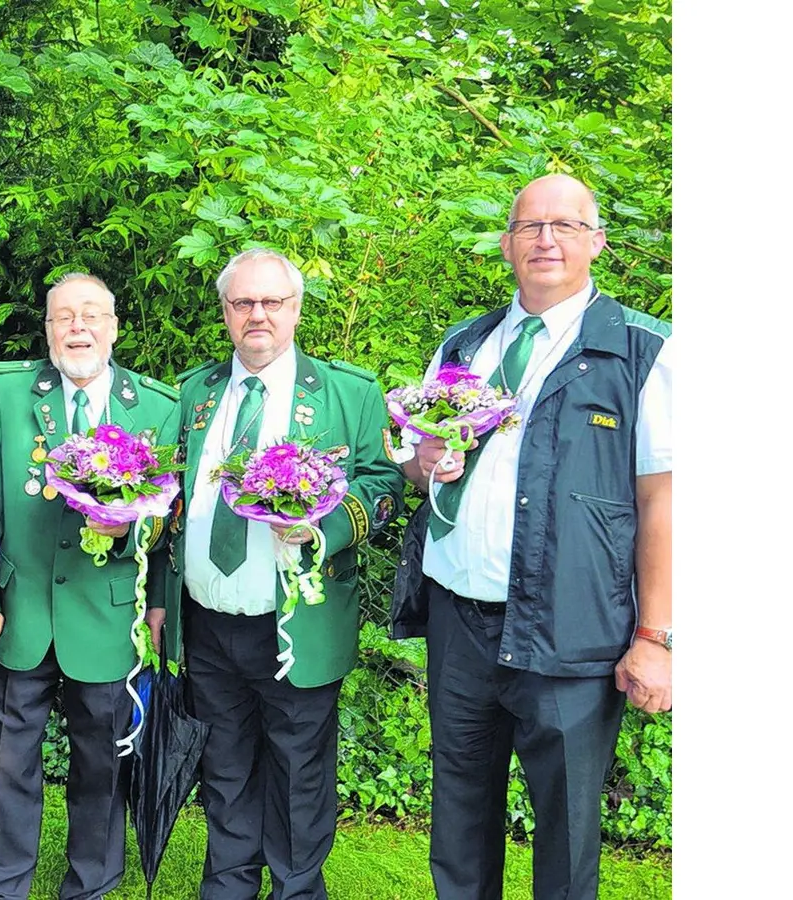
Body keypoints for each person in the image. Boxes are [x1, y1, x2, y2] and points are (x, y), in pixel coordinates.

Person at [389, 174, 672, 900]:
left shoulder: (644, 351)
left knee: (567, 832)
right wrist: (423, 464)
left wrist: (656, 635)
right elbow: (426, 470)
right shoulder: (466, 343)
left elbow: (663, 499)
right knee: (457, 821)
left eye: (566, 226)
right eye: (530, 227)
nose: (546, 239)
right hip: (461, 621)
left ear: (597, 242)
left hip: (572, 635)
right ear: (508, 243)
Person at [151, 249, 404, 900]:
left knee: (298, 776)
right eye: (243, 303)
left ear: (295, 309)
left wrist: (325, 529)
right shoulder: (189, 394)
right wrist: (158, 600)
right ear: (225, 312)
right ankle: (228, 888)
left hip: (296, 622)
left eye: (272, 302)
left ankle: (296, 891)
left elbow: (382, 486)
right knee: (225, 772)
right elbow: (164, 503)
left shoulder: (348, 394)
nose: (257, 314)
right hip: (207, 625)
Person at [0, 272, 180, 900]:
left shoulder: (158, 408)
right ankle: (5, 884)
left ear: (114, 327)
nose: (78, 328)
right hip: (19, 613)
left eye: (91, 316)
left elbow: (169, 523)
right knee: (8, 764)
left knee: (103, 764)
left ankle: (90, 884)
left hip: (110, 618)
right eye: (64, 317)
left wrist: (159, 603)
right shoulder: (7, 392)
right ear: (49, 329)